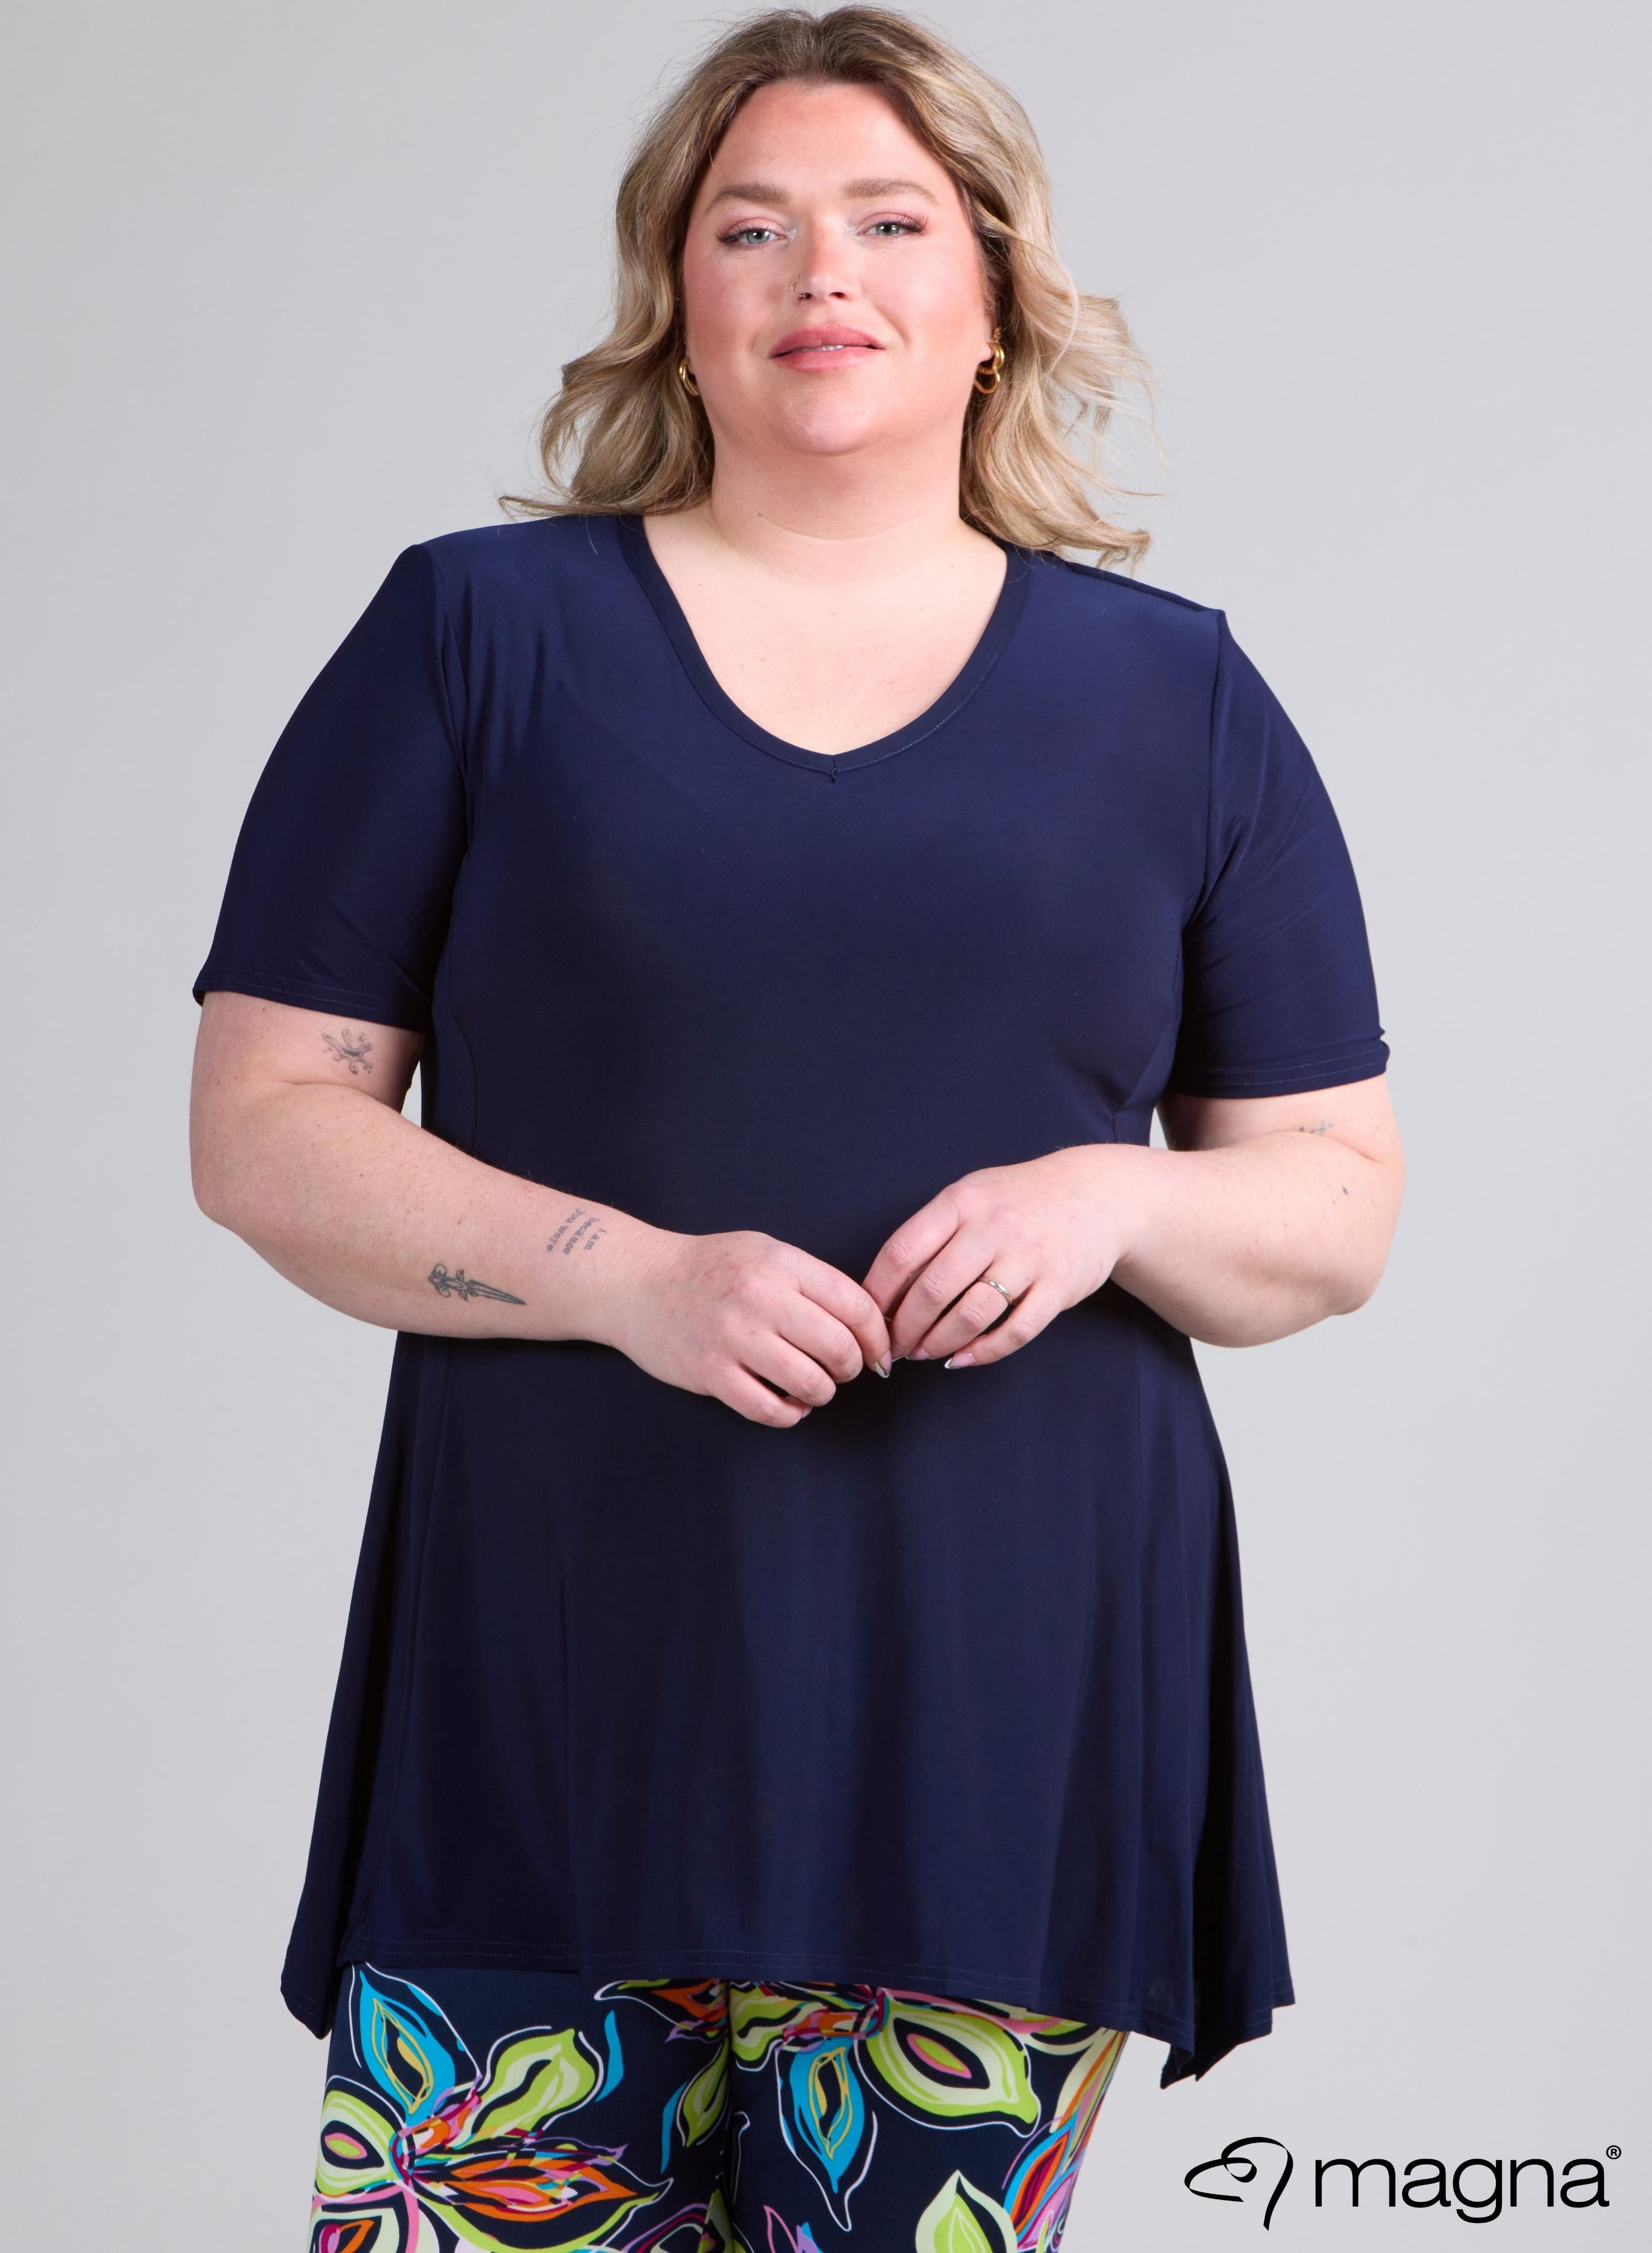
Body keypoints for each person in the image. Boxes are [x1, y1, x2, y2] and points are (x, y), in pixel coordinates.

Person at [189, 7, 1405, 2246]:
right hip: (555, 1698)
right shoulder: (475, 637)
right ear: (677, 292)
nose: (818, 271)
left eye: (887, 222)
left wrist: (1111, 1197)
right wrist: (626, 1276)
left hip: (1002, 1722)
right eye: (749, 226)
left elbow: (1334, 1207)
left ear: (995, 295)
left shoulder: (1181, 700)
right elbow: (265, 1126)